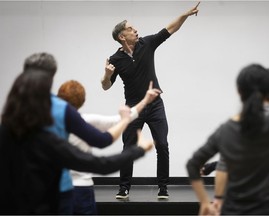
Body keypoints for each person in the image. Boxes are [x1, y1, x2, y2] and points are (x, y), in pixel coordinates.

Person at [0, 70, 154, 214]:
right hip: (79, 189)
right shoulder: (76, 125)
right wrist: (137, 145)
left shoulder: (22, 132)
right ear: (82, 100)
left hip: (40, 194)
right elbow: (105, 142)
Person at [101, 1, 200, 200]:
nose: (135, 30)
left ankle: (163, 188)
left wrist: (185, 15)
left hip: (155, 106)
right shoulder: (114, 60)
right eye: (130, 28)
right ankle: (124, 188)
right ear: (122, 36)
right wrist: (105, 74)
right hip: (133, 108)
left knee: (162, 145)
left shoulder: (147, 44)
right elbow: (105, 86)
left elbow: (170, 28)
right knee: (128, 148)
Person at [23, 52, 136, 214]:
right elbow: (102, 141)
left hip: (27, 190)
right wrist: (136, 147)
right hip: (62, 189)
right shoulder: (61, 109)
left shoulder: (13, 111)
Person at [186, 64, 269, 215]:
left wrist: (205, 203)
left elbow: (193, 165)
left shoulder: (226, 129)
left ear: (239, 92)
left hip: (233, 210)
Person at [57, 79, 161, 214]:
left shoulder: (49, 124)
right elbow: (116, 123)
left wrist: (144, 101)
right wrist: (145, 101)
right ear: (82, 100)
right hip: (82, 189)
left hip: (58, 188)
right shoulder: (84, 121)